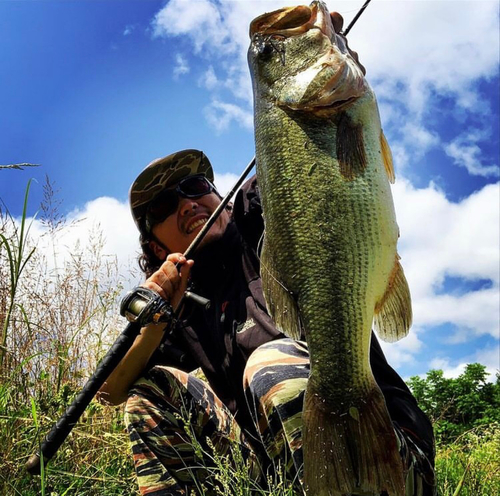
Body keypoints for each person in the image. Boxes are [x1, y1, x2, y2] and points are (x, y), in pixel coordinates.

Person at [98, 147, 435, 496]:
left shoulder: (258, 220)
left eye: (196, 186)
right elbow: (109, 393)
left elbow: (310, 162)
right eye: (163, 206)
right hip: (275, 477)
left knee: (269, 365)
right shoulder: (183, 306)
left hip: (381, 452)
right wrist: (155, 321)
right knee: (149, 394)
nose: (187, 204)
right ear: (155, 249)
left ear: (220, 198)